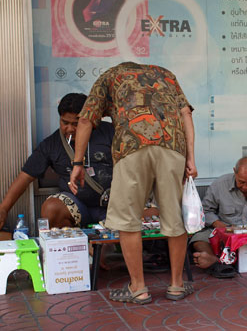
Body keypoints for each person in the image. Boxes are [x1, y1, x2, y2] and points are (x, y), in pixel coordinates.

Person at [70, 62, 196, 305]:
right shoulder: (166, 74)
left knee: (128, 219)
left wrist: (77, 163)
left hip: (131, 147)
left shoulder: (110, 76)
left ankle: (138, 288)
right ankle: (177, 285)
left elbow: (85, 121)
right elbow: (186, 114)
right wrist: (190, 158)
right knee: (174, 216)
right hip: (172, 148)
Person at [0, 93, 114, 232]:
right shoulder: (52, 144)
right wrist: (3, 209)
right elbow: (26, 176)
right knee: (51, 209)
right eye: (65, 123)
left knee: (145, 211)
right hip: (79, 207)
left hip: (114, 205)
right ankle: (75, 245)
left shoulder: (109, 132)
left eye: (76, 124)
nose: (70, 129)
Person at [190, 157, 247, 278]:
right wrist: (218, 224)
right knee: (199, 239)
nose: (245, 187)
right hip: (223, 230)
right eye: (241, 181)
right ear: (235, 172)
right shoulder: (219, 185)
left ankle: (218, 262)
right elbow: (205, 211)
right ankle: (214, 261)